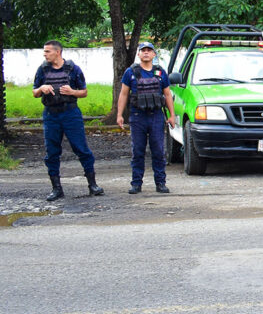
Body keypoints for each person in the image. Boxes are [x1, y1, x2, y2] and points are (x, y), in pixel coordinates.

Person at [33, 40, 100, 201]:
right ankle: (56, 189)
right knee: (52, 152)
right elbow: (34, 92)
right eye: (44, 51)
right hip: (51, 115)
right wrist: (41, 89)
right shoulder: (42, 70)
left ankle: (93, 185)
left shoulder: (73, 69)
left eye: (48, 51)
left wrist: (72, 91)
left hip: (70, 113)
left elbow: (84, 92)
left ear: (58, 52)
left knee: (81, 148)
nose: (45, 54)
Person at [116, 41, 177, 194]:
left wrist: (172, 115)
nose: (146, 53)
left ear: (154, 54)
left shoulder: (160, 72)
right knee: (138, 151)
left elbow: (167, 94)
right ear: (138, 54)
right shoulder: (130, 72)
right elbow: (123, 94)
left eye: (149, 50)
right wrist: (119, 115)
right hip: (138, 116)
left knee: (158, 151)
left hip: (156, 115)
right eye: (143, 50)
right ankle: (136, 184)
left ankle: (160, 183)